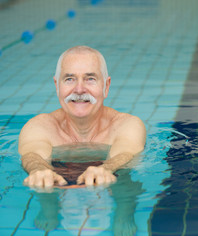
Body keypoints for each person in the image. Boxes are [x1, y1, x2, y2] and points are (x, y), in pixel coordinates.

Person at [18, 46, 146, 188]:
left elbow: (125, 154)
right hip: (56, 184)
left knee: (125, 188)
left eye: (90, 79)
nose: (79, 89)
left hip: (113, 182)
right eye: (69, 79)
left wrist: (106, 169)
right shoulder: (39, 127)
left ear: (106, 86)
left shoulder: (127, 125)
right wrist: (39, 170)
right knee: (44, 190)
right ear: (57, 86)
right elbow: (33, 155)